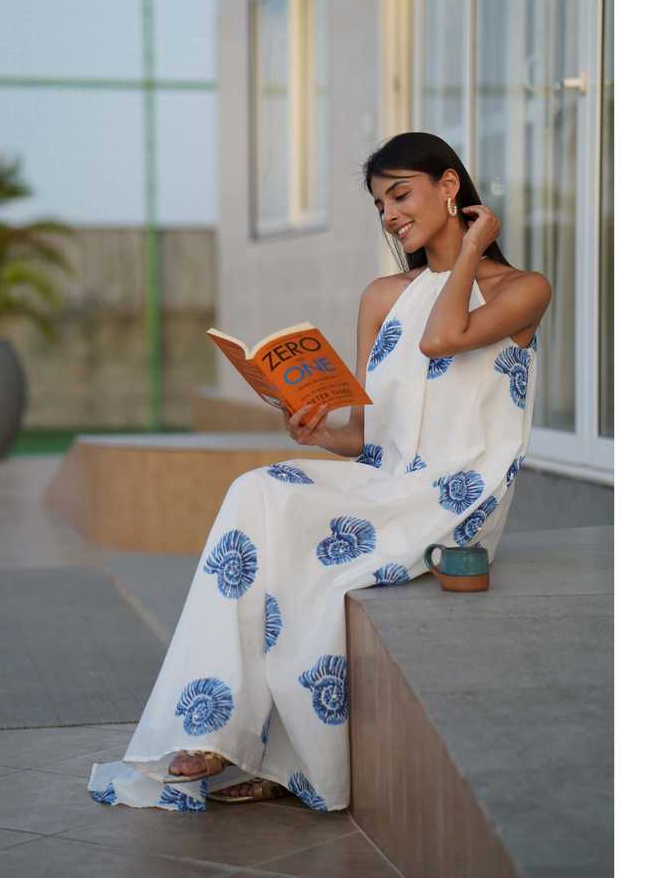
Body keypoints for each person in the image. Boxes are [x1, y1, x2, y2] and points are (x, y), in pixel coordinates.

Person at [87, 131, 552, 812]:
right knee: (257, 490)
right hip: (385, 482)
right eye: (380, 205)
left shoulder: (523, 289)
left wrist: (473, 248)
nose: (390, 215)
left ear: (450, 187)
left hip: (455, 500)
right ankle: (213, 727)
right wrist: (315, 431)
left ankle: (259, 747)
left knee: (296, 543)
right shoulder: (382, 297)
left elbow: (441, 338)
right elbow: (365, 436)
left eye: (401, 195)